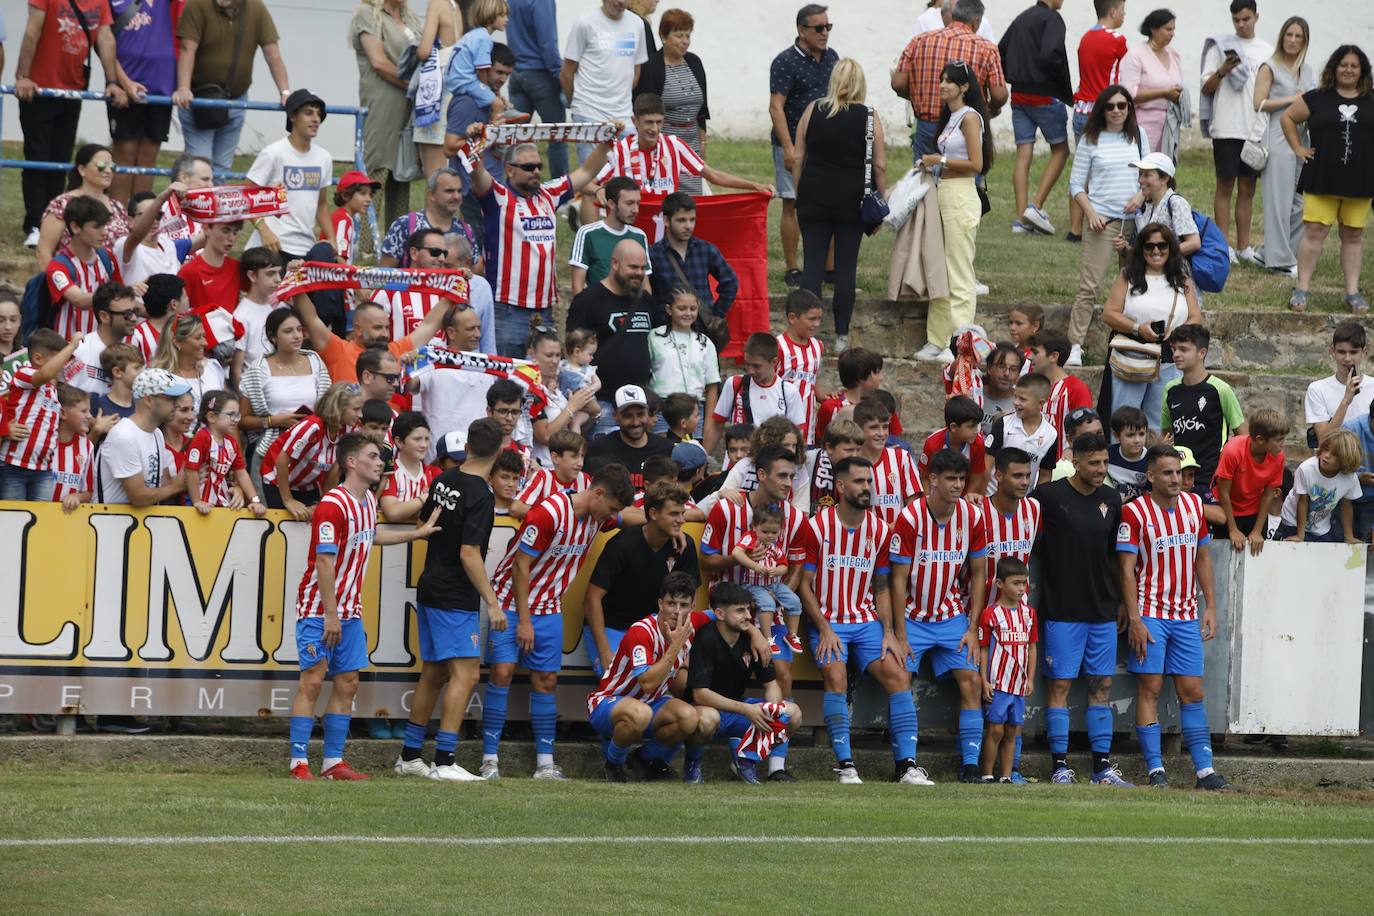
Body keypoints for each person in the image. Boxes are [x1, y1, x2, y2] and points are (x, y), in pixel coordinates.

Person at [286, 433, 439, 780]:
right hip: (319, 609)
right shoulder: (332, 505)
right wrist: (330, 614)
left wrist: (415, 535)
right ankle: (298, 763)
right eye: (372, 456)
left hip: (350, 610)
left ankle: (332, 763)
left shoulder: (368, 502)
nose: (380, 461)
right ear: (352, 462)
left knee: (348, 682)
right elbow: (324, 563)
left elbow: (370, 536)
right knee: (312, 681)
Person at [481, 463, 633, 781]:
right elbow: (521, 566)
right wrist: (524, 620)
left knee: (546, 681)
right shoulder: (549, 512)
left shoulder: (597, 516)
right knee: (502, 672)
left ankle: (545, 764)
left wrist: (668, 522)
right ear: (598, 493)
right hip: (511, 604)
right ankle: (489, 759)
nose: (611, 516)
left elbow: (631, 517)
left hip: (549, 608)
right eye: (612, 508)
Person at [798, 455, 922, 784]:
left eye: (869, 482)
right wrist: (823, 627)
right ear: (840, 486)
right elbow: (803, 585)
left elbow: (881, 588)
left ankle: (906, 766)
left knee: (899, 676)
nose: (867, 488)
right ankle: (847, 765)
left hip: (866, 621)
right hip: (829, 621)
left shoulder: (880, 529)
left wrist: (889, 632)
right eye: (859, 482)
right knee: (836, 678)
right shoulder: (817, 527)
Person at [392, 417, 501, 782]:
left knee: (436, 671)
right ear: (499, 452)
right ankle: (444, 760)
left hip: (430, 586)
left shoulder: (441, 480)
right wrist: (492, 601)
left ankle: (410, 755)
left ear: (467, 444)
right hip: (455, 594)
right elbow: (470, 553)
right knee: (466, 673)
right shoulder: (481, 494)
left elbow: (427, 527)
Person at [1118, 444, 1228, 791]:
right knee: (1149, 687)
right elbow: (1125, 568)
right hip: (1150, 613)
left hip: (1185, 614)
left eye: (1178, 472)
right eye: (1167, 472)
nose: (1176, 479)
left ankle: (1204, 772)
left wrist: (1210, 605)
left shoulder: (1195, 506)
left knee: (1193, 691)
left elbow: (1203, 559)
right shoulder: (1134, 513)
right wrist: (1134, 617)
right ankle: (1155, 771)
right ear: (1150, 476)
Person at [1032, 431, 1131, 785]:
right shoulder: (1048, 497)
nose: (1101, 469)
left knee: (1101, 686)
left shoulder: (1112, 498)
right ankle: (1060, 766)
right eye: (1093, 463)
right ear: (1075, 462)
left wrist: (1121, 601)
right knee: (1059, 686)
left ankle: (1102, 768)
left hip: (1102, 610)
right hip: (1062, 610)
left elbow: (1117, 557)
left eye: (1105, 462)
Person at [467, 130, 619, 358]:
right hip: (506, 309)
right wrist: (475, 140)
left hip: (544, 310)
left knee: (543, 381)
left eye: (539, 166)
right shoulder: (497, 196)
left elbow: (586, 171)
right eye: (528, 167)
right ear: (509, 169)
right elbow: (476, 170)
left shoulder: (549, 193)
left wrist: (607, 142)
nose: (536, 171)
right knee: (506, 380)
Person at [890, 448, 988, 783]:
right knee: (901, 678)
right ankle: (905, 764)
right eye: (951, 478)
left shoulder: (972, 517)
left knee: (971, 681)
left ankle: (971, 766)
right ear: (932, 479)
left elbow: (978, 574)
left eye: (962, 478)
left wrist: (972, 627)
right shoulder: (910, 517)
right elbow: (897, 579)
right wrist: (900, 635)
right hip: (912, 616)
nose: (958, 485)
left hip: (951, 617)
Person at [13, 0, 130, 248]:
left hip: (73, 89)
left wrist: (112, 81)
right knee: (37, 158)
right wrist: (23, 76)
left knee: (61, 161)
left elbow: (106, 38)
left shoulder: (100, 2)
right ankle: (35, 224)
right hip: (39, 89)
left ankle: (57, 221)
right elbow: (32, 30)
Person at [588, 571, 714, 783]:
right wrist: (675, 647)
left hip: (651, 703)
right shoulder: (642, 631)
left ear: (693, 607)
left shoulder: (692, 622)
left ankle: (643, 759)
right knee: (640, 713)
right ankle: (613, 763)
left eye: (684, 605)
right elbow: (647, 683)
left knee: (689, 717)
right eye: (671, 603)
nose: (677, 611)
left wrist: (754, 633)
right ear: (660, 604)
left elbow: (720, 613)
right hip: (608, 702)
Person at [793, 59, 884, 348]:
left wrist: (799, 191)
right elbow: (879, 164)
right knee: (846, 267)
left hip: (813, 193)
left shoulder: (813, 109)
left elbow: (797, 157)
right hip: (851, 198)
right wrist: (881, 200)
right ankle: (842, 335)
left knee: (812, 265)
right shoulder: (868, 116)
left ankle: (807, 330)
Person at [586, 92, 773, 224]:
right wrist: (597, 191)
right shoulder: (622, 149)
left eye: (659, 122)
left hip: (665, 224)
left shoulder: (674, 146)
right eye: (648, 122)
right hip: (630, 226)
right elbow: (585, 183)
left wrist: (755, 186)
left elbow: (713, 175)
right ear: (635, 121)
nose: (654, 128)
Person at [1282, 45, 1374, 313]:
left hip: (1360, 181)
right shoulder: (1317, 98)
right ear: (1334, 69)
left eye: (1354, 66)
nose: (1348, 70)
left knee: (1354, 236)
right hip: (1322, 177)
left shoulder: (1371, 100)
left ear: (1362, 71)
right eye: (1343, 65)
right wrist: (1298, 148)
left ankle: (1352, 293)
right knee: (1315, 232)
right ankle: (1301, 289)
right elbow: (1288, 118)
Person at [685, 581, 802, 784]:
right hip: (707, 710)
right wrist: (746, 710)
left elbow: (771, 683)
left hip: (737, 710)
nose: (748, 616)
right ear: (720, 614)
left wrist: (771, 710)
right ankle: (692, 765)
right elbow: (699, 694)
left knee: (792, 713)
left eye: (749, 609)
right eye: (740, 610)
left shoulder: (752, 640)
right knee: (706, 719)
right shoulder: (706, 639)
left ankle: (746, 759)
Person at [915, 61, 994, 363]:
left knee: (959, 271)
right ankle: (937, 338)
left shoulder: (970, 117)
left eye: (950, 81)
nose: (944, 85)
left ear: (964, 87)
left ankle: (959, 342)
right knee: (940, 268)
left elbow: (976, 163)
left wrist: (940, 160)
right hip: (943, 192)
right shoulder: (949, 116)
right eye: (942, 80)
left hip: (961, 193)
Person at [1068, 85, 1150, 366]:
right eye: (1110, 106)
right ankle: (1076, 345)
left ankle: (1129, 340)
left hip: (1134, 223)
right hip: (1102, 222)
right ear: (1102, 109)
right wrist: (1090, 213)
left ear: (1129, 109)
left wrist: (1140, 195)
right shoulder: (1091, 139)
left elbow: (1151, 174)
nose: (1116, 111)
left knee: (1133, 284)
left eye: (1122, 106)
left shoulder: (1138, 137)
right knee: (1089, 286)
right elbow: (1076, 183)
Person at [584, 480, 698, 675]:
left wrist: (683, 643)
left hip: (655, 628)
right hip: (614, 627)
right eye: (674, 514)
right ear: (653, 514)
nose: (681, 520)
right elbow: (591, 598)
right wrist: (605, 652)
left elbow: (691, 599)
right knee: (623, 676)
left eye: (682, 513)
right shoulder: (622, 545)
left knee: (681, 680)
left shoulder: (684, 545)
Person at [1101, 223, 1202, 428]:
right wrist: (1138, 328)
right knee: (1123, 421)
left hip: (1169, 356)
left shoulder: (1182, 280)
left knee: (1161, 423)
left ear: (1170, 247)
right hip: (1131, 356)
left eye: (1162, 245)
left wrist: (1177, 334)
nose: (1156, 251)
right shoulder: (1128, 276)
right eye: (1149, 246)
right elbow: (1109, 314)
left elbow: (1195, 317)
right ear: (1141, 249)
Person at [173, 0, 291, 174]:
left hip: (236, 100)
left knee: (221, 168)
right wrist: (183, 88)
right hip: (199, 99)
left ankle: (214, 199)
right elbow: (187, 49)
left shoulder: (256, 8)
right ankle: (191, 198)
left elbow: (273, 55)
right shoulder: (197, 5)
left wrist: (285, 92)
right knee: (199, 167)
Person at [769, 4, 839, 287]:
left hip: (825, 145)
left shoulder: (832, 58)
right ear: (801, 30)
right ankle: (792, 267)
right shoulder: (785, 61)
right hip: (794, 142)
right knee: (792, 203)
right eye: (818, 28)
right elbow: (776, 107)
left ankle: (829, 267)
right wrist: (788, 147)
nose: (825, 33)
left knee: (830, 204)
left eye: (828, 27)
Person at [1201, 0, 1273, 266]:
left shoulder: (1268, 51)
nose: (1241, 24)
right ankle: (1223, 246)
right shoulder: (1220, 47)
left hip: (1255, 128)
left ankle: (1244, 247)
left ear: (1256, 17)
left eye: (1246, 19)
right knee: (1225, 185)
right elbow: (1206, 88)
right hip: (1226, 126)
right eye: (1236, 20)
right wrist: (1223, 71)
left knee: (1248, 187)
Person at [567, 240, 664, 435]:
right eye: (633, 267)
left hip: (639, 403)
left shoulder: (646, 300)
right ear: (614, 264)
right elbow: (572, 352)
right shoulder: (588, 300)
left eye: (643, 268)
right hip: (603, 403)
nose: (639, 273)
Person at [893, 0, 1007, 160]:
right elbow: (1000, 95)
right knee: (964, 179)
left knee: (925, 180)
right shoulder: (986, 48)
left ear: (952, 16)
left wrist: (917, 97)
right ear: (976, 22)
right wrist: (988, 110)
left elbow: (898, 83)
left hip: (927, 124)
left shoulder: (919, 41)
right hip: (965, 126)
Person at [999, 0, 1072, 237]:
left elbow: (1000, 50)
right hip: (1045, 97)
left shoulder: (1022, 18)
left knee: (1023, 154)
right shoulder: (1052, 19)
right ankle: (1036, 206)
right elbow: (1052, 55)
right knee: (1060, 151)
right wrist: (1061, 85)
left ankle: (1020, 220)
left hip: (1019, 95)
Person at [346, 0, 421, 230]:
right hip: (382, 101)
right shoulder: (367, 14)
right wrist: (413, 84)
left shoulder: (409, 16)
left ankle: (396, 242)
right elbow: (378, 62)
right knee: (377, 169)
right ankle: (364, 242)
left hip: (409, 103)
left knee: (401, 171)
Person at [294, 285, 453, 387]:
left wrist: (454, 290)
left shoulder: (396, 350)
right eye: (378, 328)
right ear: (358, 329)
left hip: (390, 435)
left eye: (386, 327)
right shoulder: (339, 350)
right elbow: (311, 318)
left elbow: (429, 325)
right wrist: (295, 281)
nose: (384, 334)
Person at [1253, 17, 1315, 277]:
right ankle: (1278, 261)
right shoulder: (1270, 67)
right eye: (1288, 34)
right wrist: (1293, 99)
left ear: (1304, 40)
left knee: (1301, 201)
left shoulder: (1308, 70)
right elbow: (1258, 102)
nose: (1292, 40)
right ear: (1282, 37)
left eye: (1297, 36)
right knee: (1278, 201)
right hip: (1277, 136)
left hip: (1303, 138)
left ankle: (1271, 251)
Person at [244, 90, 336, 263]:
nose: (316, 119)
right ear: (293, 116)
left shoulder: (324, 158)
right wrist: (264, 230)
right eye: (308, 113)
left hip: (306, 247)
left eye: (318, 114)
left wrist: (332, 239)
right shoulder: (273, 153)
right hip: (274, 246)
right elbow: (245, 195)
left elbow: (321, 204)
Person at [1067, 0, 1129, 241]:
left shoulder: (1085, 38)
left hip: (1081, 107)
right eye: (1123, 10)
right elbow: (1120, 79)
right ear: (1113, 11)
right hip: (1103, 110)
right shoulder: (1117, 40)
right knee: (1104, 171)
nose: (1124, 15)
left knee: (1080, 170)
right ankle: (1103, 219)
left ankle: (1075, 229)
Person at [105, 0, 179, 200]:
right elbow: (102, 41)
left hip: (162, 88)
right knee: (124, 154)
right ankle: (118, 221)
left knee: (149, 155)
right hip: (125, 88)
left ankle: (140, 218)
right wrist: (124, 82)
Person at [239, 309, 332, 466]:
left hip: (312, 444)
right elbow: (242, 420)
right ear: (273, 337)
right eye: (288, 331)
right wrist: (272, 421)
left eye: (299, 329)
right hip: (272, 448)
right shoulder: (258, 370)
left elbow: (328, 406)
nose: (296, 335)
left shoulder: (315, 361)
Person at [261, 383, 364, 520]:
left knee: (317, 519)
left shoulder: (350, 430)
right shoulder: (312, 427)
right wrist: (288, 500)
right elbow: (282, 461)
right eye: (356, 409)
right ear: (338, 408)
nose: (360, 414)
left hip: (308, 485)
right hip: (277, 481)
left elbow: (335, 470)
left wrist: (324, 502)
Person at [1162, 324, 1246, 492]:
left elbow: (1243, 436)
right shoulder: (1170, 389)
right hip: (1178, 478)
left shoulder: (1220, 389)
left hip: (1211, 477)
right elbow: (1166, 434)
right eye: (1174, 349)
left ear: (1202, 353)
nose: (1176, 354)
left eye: (1183, 349)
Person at [562, 0, 648, 164]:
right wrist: (578, 105)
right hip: (589, 113)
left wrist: (619, 95)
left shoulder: (637, 24)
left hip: (623, 114)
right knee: (592, 178)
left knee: (629, 174)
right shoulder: (585, 23)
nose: (620, 2)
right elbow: (566, 73)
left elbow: (636, 70)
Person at [0, 330, 82, 501]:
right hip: (13, 466)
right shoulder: (25, 373)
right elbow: (45, 374)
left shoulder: (53, 392)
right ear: (38, 359)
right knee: (13, 523)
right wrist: (72, 345)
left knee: (41, 523)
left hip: (43, 470)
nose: (63, 364)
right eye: (59, 359)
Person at [976, 556, 1037, 783]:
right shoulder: (990, 614)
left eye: (1024, 583)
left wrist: (1030, 679)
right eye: (1016, 583)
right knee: (995, 731)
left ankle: (1006, 776)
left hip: (1019, 684)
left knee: (1012, 731)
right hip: (998, 683)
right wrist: (984, 680)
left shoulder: (1029, 614)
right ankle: (987, 773)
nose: (1021, 588)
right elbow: (983, 650)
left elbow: (1032, 648)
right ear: (1000, 584)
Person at [636, 9, 709, 194]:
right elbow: (646, 110)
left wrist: (702, 144)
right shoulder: (651, 67)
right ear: (664, 36)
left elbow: (702, 111)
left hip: (691, 143)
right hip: (664, 145)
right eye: (679, 35)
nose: (685, 41)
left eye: (688, 35)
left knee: (691, 201)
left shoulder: (695, 63)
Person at [95, 368, 188, 506]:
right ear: (149, 400)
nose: (176, 405)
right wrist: (178, 486)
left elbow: (163, 484)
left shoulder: (156, 433)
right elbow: (139, 497)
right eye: (170, 399)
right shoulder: (124, 436)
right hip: (108, 524)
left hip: (136, 523)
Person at [706, 334, 807, 454]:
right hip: (737, 461)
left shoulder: (789, 392)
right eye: (747, 364)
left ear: (774, 362)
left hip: (770, 463)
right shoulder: (734, 384)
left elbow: (797, 436)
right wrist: (702, 462)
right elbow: (716, 426)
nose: (750, 370)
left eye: (756, 366)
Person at [35, 144, 131, 269]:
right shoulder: (62, 204)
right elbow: (43, 252)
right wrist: (57, 284)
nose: (108, 171)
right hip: (73, 280)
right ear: (82, 169)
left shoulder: (117, 207)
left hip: (114, 281)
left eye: (112, 167)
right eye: (101, 166)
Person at [647, 192, 739, 321]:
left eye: (692, 219)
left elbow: (731, 282)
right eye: (681, 220)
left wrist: (715, 316)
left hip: (703, 330)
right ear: (666, 220)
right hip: (667, 332)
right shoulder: (653, 254)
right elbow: (645, 296)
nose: (688, 226)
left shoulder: (706, 249)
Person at [45, 198, 123, 342]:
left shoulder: (107, 257)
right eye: (97, 227)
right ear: (75, 227)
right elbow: (79, 300)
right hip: (68, 350)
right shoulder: (58, 266)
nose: (104, 232)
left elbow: (120, 290)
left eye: (105, 226)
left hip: (103, 348)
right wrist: (120, 294)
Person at [506, 0, 568, 180]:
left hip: (517, 73)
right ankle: (560, 190)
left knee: (515, 139)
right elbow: (547, 43)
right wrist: (560, 74)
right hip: (541, 74)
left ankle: (514, 188)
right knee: (557, 136)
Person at [1214, 408, 1288, 554]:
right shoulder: (1233, 451)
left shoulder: (1278, 456)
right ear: (1260, 440)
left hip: (1254, 511)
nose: (1283, 444)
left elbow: (1268, 495)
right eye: (1279, 440)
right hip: (1228, 509)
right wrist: (1233, 529)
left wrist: (1257, 530)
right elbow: (1223, 491)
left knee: (1256, 552)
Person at [647, 288, 719, 434]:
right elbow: (644, 375)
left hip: (694, 410)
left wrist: (708, 425)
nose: (688, 313)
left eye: (693, 309)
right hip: (662, 408)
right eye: (682, 308)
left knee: (690, 454)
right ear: (669, 309)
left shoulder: (705, 343)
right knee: (663, 454)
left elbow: (712, 386)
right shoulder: (654, 337)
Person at [379, 168, 481, 271]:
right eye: (449, 191)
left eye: (459, 191)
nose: (456, 196)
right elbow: (384, 273)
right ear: (431, 195)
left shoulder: (467, 231)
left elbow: (474, 272)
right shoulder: (405, 225)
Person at [185, 390, 264, 515]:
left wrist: (255, 500)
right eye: (231, 414)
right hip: (199, 503)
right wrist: (197, 501)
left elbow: (241, 473)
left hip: (222, 503)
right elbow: (191, 471)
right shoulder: (202, 437)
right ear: (212, 417)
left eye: (237, 415)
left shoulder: (232, 442)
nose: (235, 420)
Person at [1276, 429, 1363, 543]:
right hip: (1293, 521)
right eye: (1326, 449)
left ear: (1345, 459)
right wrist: (1300, 535)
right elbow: (1302, 502)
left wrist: (1349, 537)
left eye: (1335, 455)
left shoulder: (1350, 478)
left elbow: (1346, 506)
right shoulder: (1306, 469)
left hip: (1321, 527)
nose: (1327, 456)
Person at [411, 0, 466, 180]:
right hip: (456, 84)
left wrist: (415, 49)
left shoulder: (436, 4)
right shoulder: (455, 6)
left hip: (437, 85)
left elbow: (424, 51)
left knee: (435, 175)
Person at [1118, 8, 1183, 158]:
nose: (1172, 33)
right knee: (1144, 164)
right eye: (1168, 29)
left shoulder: (1173, 55)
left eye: (1173, 29)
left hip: (1170, 121)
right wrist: (1164, 92)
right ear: (1154, 29)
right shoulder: (1136, 55)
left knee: (1164, 168)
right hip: (1144, 121)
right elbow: (1128, 94)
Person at [569, 177, 648, 296]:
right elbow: (577, 285)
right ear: (611, 204)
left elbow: (645, 282)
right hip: (599, 308)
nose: (635, 210)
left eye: (638, 203)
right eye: (629, 203)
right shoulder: (588, 233)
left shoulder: (639, 235)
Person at [586, 385, 674, 488]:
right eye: (628, 416)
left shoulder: (665, 448)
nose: (635, 422)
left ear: (647, 414)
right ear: (615, 416)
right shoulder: (599, 449)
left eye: (640, 414)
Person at [853, 397, 921, 523]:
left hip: (896, 538)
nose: (881, 433)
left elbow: (915, 508)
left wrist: (895, 528)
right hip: (862, 538)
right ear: (858, 429)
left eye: (885, 427)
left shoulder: (902, 458)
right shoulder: (850, 463)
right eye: (874, 428)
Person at [64, 282, 137, 397]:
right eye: (127, 314)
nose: (134, 318)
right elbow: (65, 397)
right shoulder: (81, 350)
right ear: (104, 316)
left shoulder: (135, 349)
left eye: (135, 312)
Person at [1305, 321, 1374, 444]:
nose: (1347, 359)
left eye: (1353, 352)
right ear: (1332, 351)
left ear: (1364, 352)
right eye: (1341, 352)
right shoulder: (1317, 389)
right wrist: (1346, 401)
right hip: (1337, 460)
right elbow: (1323, 441)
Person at [1029, 329, 1094, 458]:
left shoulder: (1076, 388)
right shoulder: (1031, 385)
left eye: (1035, 352)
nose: (1030, 357)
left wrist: (1072, 451)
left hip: (1060, 467)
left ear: (1054, 356)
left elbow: (1086, 430)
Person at [986, 374, 1057, 488]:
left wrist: (1034, 501)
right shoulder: (1003, 424)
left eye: (1022, 399)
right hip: (993, 496)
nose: (1016, 402)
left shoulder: (1051, 435)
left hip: (1023, 501)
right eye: (1015, 396)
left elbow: (1045, 475)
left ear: (1041, 403)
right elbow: (987, 464)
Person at [149, 313, 227, 416]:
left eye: (204, 336)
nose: (205, 343)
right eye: (198, 338)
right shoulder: (161, 377)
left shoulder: (212, 367)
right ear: (177, 342)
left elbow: (227, 409)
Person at [1124, 153, 1200, 257]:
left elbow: (1194, 243)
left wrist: (1161, 254)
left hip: (1172, 271)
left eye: (1147, 175)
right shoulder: (1148, 206)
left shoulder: (1176, 203)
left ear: (1164, 179)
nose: (1140, 180)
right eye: (1140, 174)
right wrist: (1126, 248)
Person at [119, 185, 193, 288]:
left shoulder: (167, 243)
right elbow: (136, 235)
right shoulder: (124, 246)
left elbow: (206, 238)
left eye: (158, 215)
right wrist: (162, 198)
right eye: (147, 216)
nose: (153, 221)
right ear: (130, 221)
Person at [775, 291, 825, 440]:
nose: (816, 324)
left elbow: (811, 378)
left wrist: (824, 396)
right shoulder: (778, 347)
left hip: (808, 427)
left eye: (819, 319)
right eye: (811, 319)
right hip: (782, 424)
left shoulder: (818, 346)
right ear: (792, 318)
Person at [919, 395, 988, 497]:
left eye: (977, 425)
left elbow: (976, 479)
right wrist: (928, 501)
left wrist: (964, 505)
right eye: (971, 427)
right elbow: (924, 476)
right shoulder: (932, 444)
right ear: (954, 427)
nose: (976, 431)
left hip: (963, 498)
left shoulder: (978, 444)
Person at [379, 412, 440, 522]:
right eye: (417, 439)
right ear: (399, 442)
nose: (424, 445)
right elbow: (392, 513)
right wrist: (425, 498)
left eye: (426, 439)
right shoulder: (389, 472)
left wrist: (407, 509)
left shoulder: (435, 473)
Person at [178, 220, 241, 314]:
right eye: (225, 231)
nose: (231, 238)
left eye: (235, 232)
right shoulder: (189, 272)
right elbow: (177, 315)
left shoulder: (236, 268)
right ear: (206, 229)